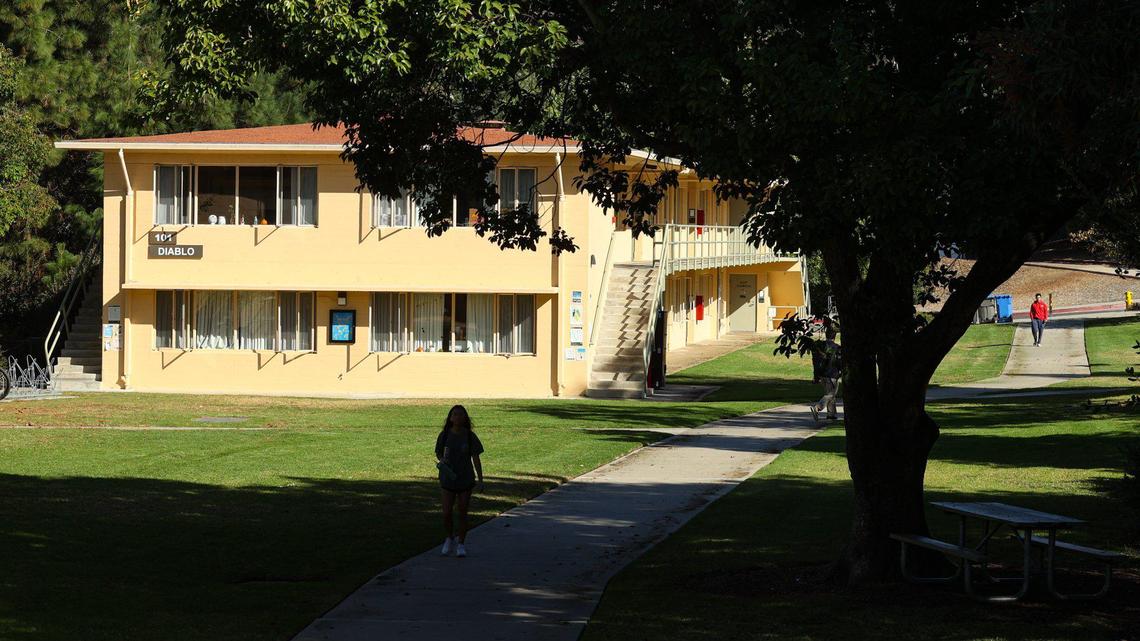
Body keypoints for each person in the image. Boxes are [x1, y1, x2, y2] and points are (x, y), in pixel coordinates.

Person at [435, 404, 484, 558]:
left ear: (465, 418)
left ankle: (461, 543)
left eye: (461, 415)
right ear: (450, 418)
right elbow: (438, 453)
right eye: (455, 414)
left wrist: (481, 479)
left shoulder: (470, 436)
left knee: (462, 511)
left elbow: (476, 459)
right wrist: (442, 460)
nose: (458, 417)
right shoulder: (444, 435)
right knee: (446, 513)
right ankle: (449, 538)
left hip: (465, 479)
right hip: (447, 479)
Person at [809, 327, 842, 423]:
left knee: (829, 394)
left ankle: (831, 415)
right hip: (832, 374)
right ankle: (818, 407)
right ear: (835, 336)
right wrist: (840, 371)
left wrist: (816, 376)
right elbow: (839, 362)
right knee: (831, 394)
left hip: (822, 374)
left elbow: (815, 361)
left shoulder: (820, 346)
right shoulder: (836, 348)